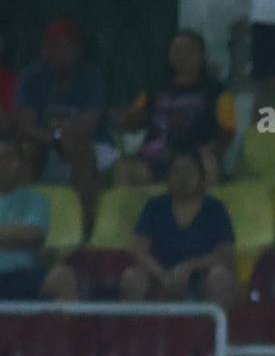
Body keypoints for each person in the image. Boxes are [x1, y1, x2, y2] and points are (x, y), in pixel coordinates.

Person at [13, 19, 114, 228]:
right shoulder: (32, 77)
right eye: (53, 46)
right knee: (26, 151)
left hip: (94, 145)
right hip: (47, 143)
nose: (59, 53)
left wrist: (59, 137)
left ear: (77, 49)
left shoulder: (91, 77)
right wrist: (53, 139)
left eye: (65, 46)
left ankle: (84, 224)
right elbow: (25, 124)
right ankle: (22, 218)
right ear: (44, 49)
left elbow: (88, 125)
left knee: (78, 149)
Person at [114, 30, 236, 185]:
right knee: (125, 170)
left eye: (188, 50)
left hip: (195, 159)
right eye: (176, 50)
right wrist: (126, 118)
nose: (181, 55)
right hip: (154, 156)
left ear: (202, 55)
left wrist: (213, 151)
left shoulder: (217, 91)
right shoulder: (154, 89)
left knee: (206, 166)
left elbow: (227, 131)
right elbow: (131, 123)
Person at [120, 151, 237, 308]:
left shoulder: (215, 208)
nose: (183, 177)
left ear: (201, 177)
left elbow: (225, 253)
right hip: (159, 276)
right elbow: (139, 249)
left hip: (201, 278)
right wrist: (163, 276)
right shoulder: (154, 206)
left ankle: (215, 324)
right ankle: (138, 324)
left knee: (220, 278)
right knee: (131, 277)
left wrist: (190, 266)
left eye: (189, 170)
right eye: (177, 171)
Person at [0, 136, 78, 300]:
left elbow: (32, 236)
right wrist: (15, 235)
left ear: (21, 164)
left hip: (23, 274)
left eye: (9, 157)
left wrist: (17, 237)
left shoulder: (37, 200)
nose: (2, 163)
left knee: (63, 277)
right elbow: (22, 236)